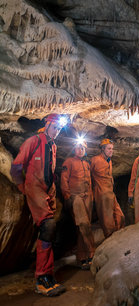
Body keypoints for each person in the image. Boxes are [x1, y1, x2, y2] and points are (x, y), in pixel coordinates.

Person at [10, 113, 66, 297]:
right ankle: (41, 278)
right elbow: (17, 166)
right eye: (55, 127)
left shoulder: (54, 146)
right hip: (34, 188)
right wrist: (23, 187)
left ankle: (47, 275)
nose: (57, 131)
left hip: (47, 191)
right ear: (47, 124)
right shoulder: (33, 141)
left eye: (59, 129)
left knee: (49, 230)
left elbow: (49, 171)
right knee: (48, 226)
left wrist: (52, 191)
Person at [60, 139, 95, 270]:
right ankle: (92, 253)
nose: (80, 150)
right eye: (78, 148)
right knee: (83, 224)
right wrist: (68, 196)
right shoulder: (69, 162)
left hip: (87, 197)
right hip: (76, 197)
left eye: (83, 148)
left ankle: (82, 257)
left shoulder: (86, 163)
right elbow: (64, 180)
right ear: (74, 149)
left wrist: (91, 195)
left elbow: (89, 181)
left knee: (84, 227)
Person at [91, 138, 125, 238]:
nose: (111, 151)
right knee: (107, 221)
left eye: (112, 149)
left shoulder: (109, 161)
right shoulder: (95, 160)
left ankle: (119, 237)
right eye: (109, 149)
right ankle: (110, 239)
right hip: (101, 194)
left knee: (120, 216)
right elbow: (88, 176)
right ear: (103, 149)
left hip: (110, 193)